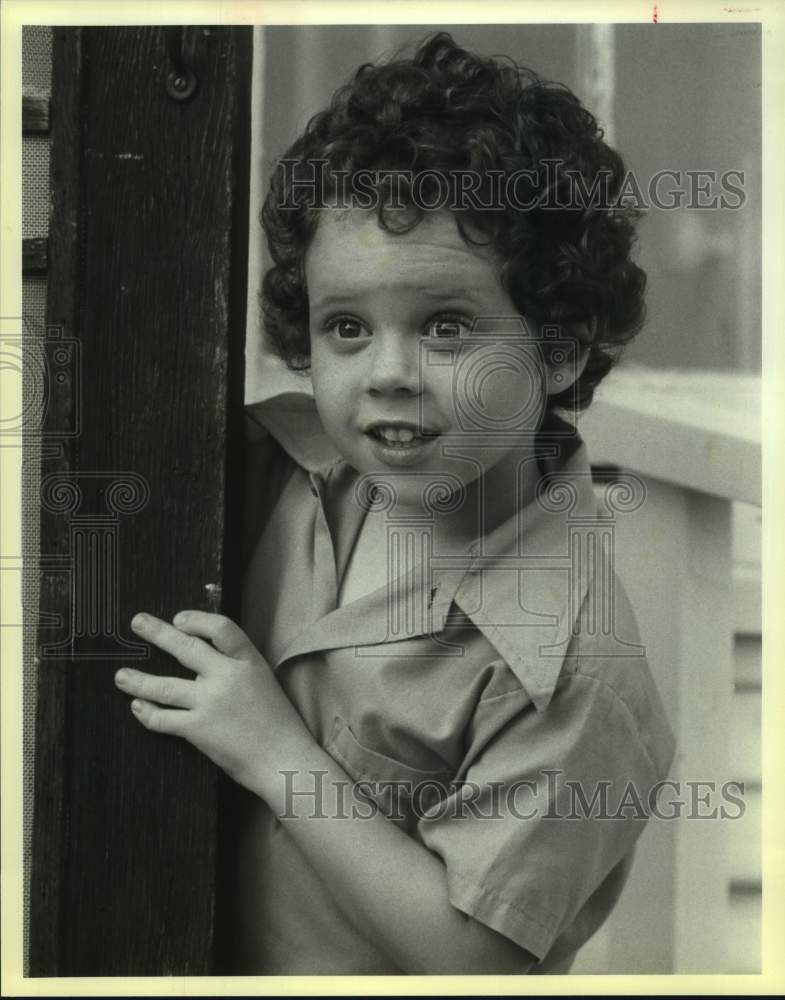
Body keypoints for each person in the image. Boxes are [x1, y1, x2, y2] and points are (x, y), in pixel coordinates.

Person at [114, 32, 675, 974]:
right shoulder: (272, 462)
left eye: (445, 327)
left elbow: (475, 963)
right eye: (345, 327)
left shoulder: (574, 673)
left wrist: (271, 751)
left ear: (561, 347)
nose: (385, 375)